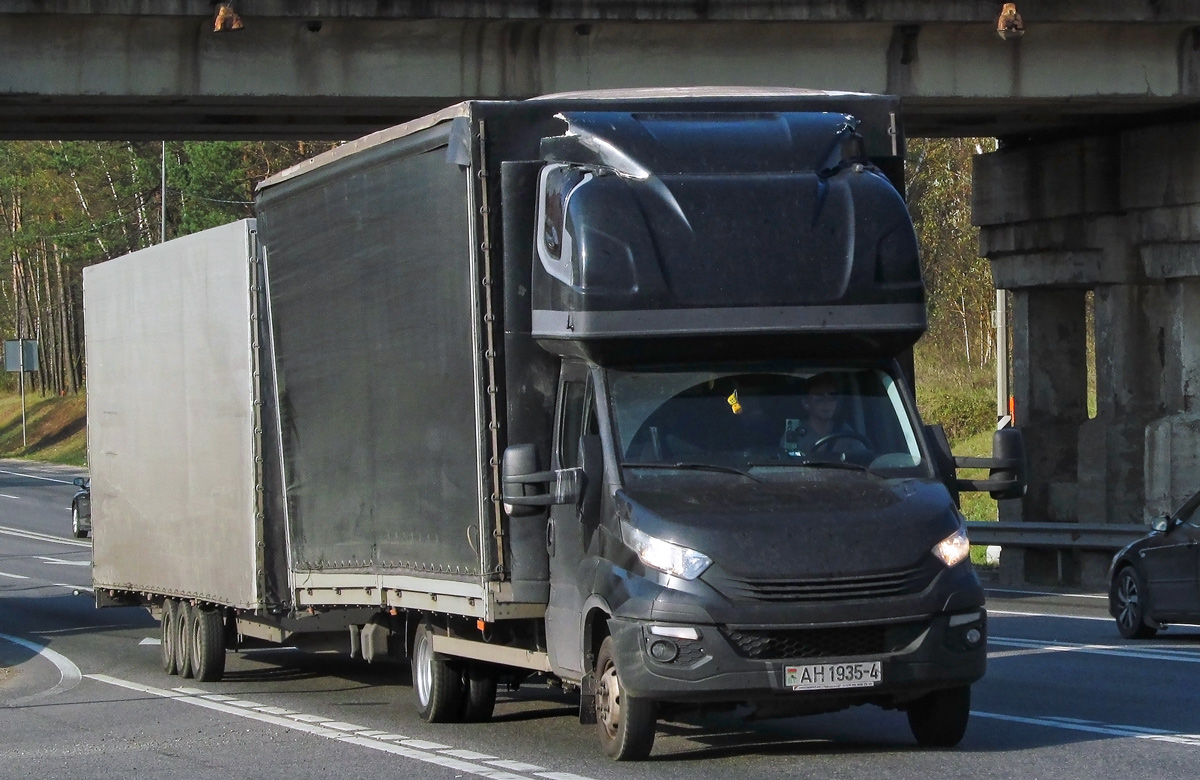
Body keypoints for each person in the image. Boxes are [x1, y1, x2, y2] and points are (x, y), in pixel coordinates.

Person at [782, 373, 872, 463]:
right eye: (819, 396)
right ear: (806, 403)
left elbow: (863, 458)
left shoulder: (845, 432)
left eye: (832, 396)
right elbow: (785, 461)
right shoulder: (795, 434)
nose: (827, 402)